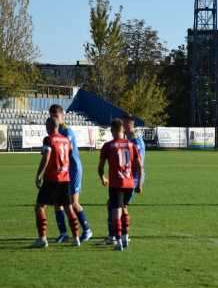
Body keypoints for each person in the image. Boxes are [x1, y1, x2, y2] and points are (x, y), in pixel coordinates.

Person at [33, 117, 80, 248]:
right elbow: (69, 155)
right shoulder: (66, 140)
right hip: (65, 178)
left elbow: (46, 158)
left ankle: (42, 238)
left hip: (52, 178)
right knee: (69, 208)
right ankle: (76, 238)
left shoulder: (49, 139)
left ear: (49, 126)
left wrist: (39, 175)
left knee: (40, 207)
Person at [49, 104, 93, 243]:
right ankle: (63, 233)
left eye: (56, 116)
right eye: (51, 116)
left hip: (73, 169)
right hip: (62, 171)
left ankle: (87, 230)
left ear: (63, 116)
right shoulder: (55, 131)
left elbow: (66, 150)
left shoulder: (67, 131)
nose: (53, 118)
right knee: (57, 203)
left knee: (73, 203)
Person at [98, 118, 143, 251]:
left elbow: (100, 167)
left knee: (115, 212)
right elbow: (140, 166)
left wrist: (102, 177)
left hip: (116, 183)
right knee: (124, 208)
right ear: (123, 130)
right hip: (129, 184)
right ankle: (125, 236)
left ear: (112, 131)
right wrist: (139, 183)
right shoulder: (131, 145)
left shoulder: (108, 146)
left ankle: (118, 241)